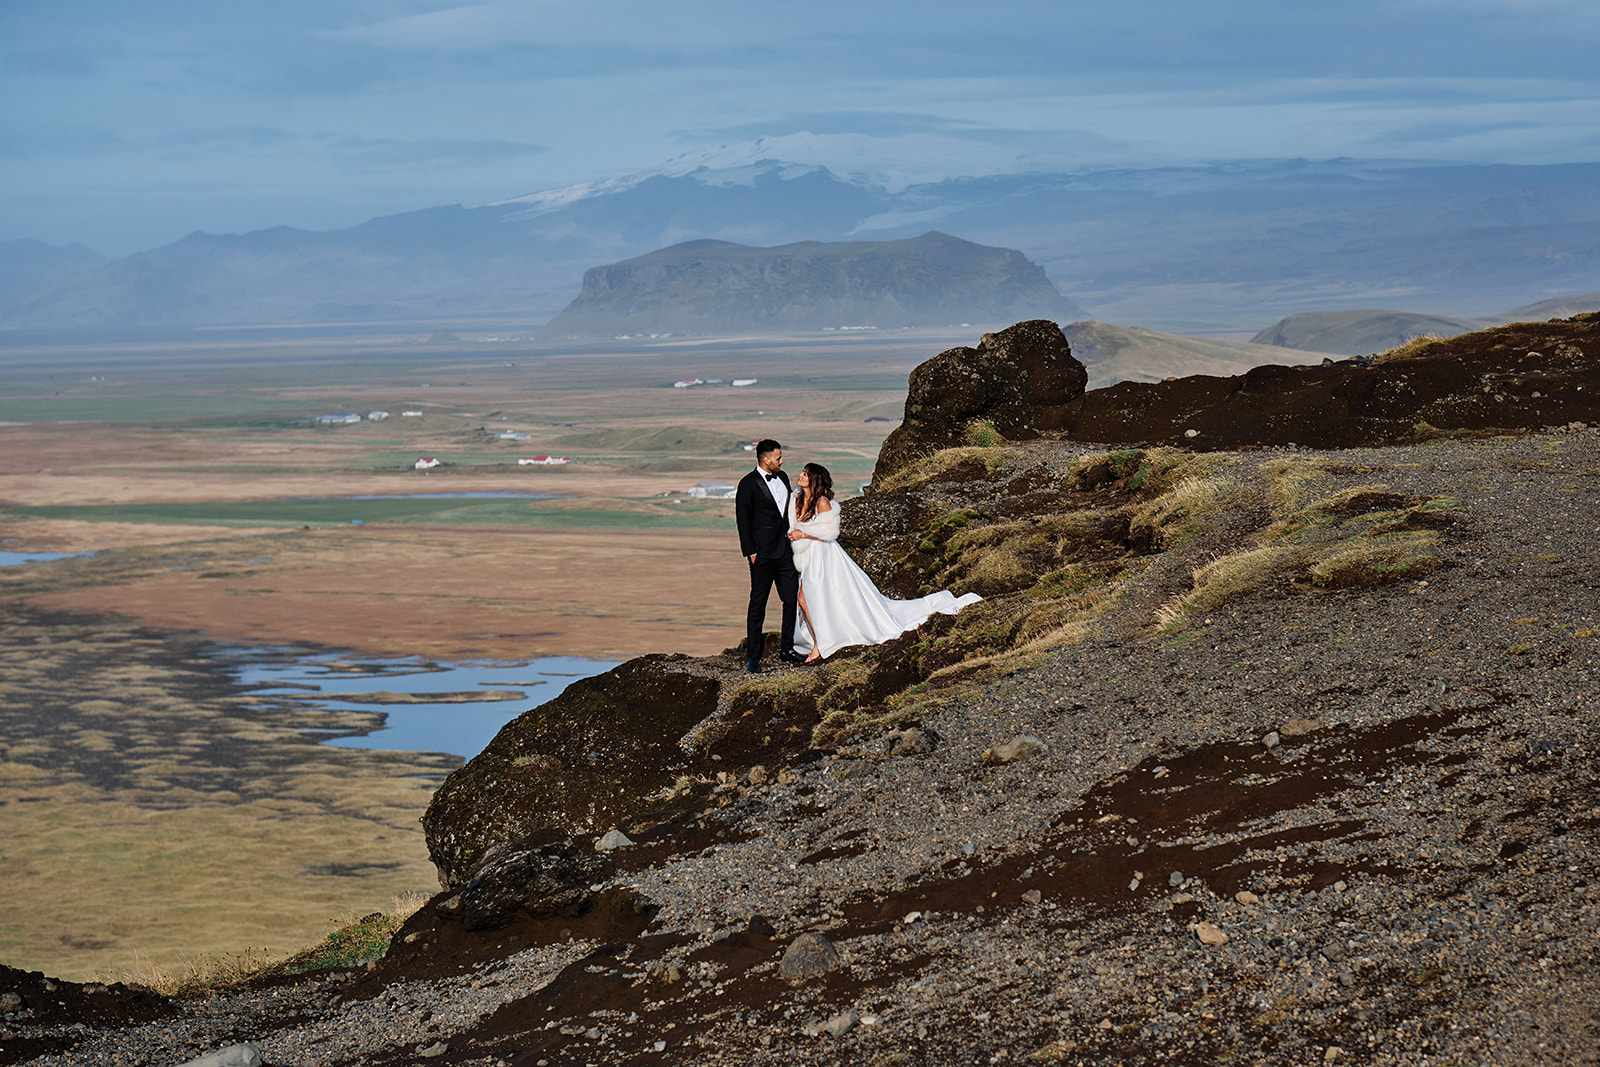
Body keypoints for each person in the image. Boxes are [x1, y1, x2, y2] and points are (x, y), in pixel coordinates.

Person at [786, 462, 981, 662]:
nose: (800, 475)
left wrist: (804, 534)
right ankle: (820, 638)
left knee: (805, 598)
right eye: (802, 472)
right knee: (811, 599)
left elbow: (829, 532)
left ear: (815, 480)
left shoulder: (822, 503)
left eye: (805, 474)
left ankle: (819, 644)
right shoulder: (798, 500)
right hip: (808, 557)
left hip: (824, 557)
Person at [734, 439, 806, 672]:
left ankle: (787, 648)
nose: (782, 461)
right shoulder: (747, 484)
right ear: (766, 460)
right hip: (762, 555)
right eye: (778, 458)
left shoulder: (783, 477)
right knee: (758, 604)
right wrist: (751, 552)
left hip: (784, 551)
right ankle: (753, 656)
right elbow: (742, 520)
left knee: (791, 599)